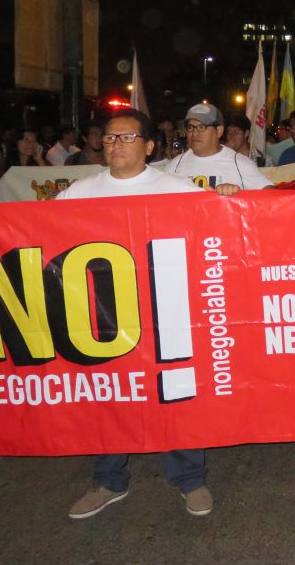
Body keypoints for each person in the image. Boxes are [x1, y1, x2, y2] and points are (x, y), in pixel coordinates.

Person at [58, 109, 216, 519]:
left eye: (127, 138)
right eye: (110, 138)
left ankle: (190, 479)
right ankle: (109, 481)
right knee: (111, 396)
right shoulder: (79, 193)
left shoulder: (177, 188)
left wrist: (231, 197)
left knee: (175, 394)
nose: (116, 145)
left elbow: (218, 229)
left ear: (148, 146)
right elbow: (32, 231)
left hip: (167, 314)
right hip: (105, 319)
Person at [162, 103, 272, 192]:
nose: (194, 133)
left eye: (201, 127)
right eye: (190, 127)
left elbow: (272, 194)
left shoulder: (239, 163)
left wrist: (239, 195)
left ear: (219, 131)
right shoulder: (175, 165)